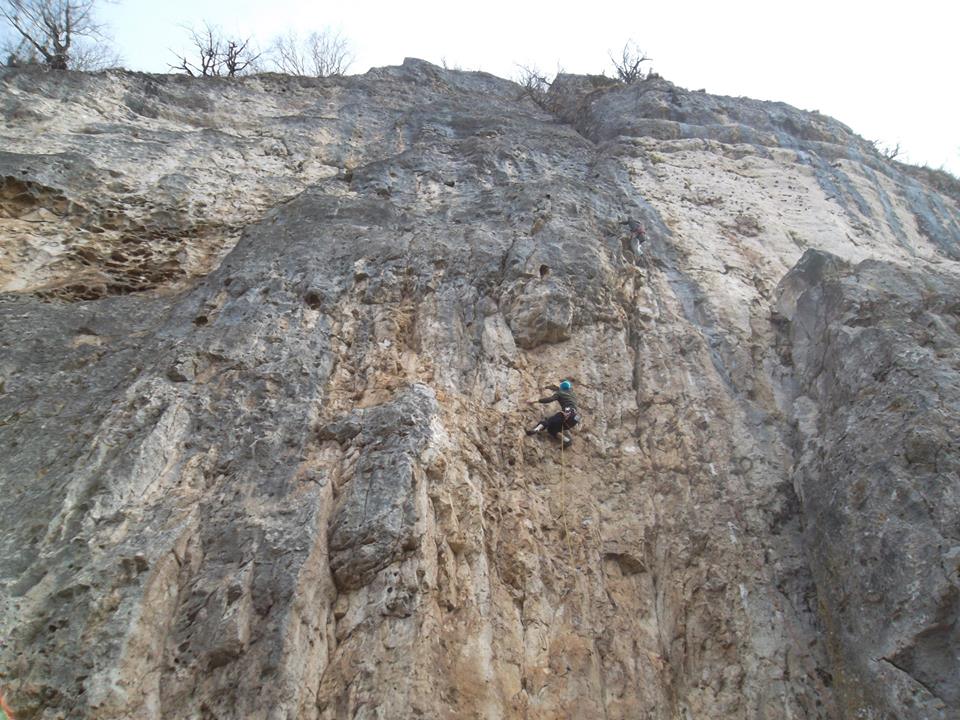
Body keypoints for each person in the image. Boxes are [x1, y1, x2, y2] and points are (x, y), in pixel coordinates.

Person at [526, 380, 581, 448]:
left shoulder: (559, 393)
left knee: (548, 421)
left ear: (561, 387)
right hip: (574, 419)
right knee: (552, 429)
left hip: (567, 413)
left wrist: (535, 401)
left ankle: (536, 429)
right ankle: (567, 440)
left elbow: (549, 399)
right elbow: (560, 388)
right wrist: (548, 387)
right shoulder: (573, 394)